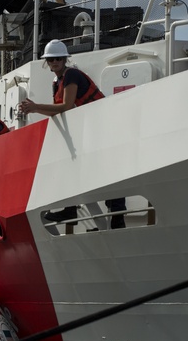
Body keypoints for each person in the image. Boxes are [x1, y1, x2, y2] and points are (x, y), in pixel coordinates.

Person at [18, 39, 125, 228]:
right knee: (85, 168)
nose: (55, 62)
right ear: (47, 63)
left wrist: (34, 108)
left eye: (58, 58)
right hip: (91, 127)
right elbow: (59, 109)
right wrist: (34, 109)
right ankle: (72, 208)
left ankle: (116, 215)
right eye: (51, 59)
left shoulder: (71, 75)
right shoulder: (57, 82)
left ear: (65, 59)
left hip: (101, 125)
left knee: (108, 169)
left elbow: (66, 105)